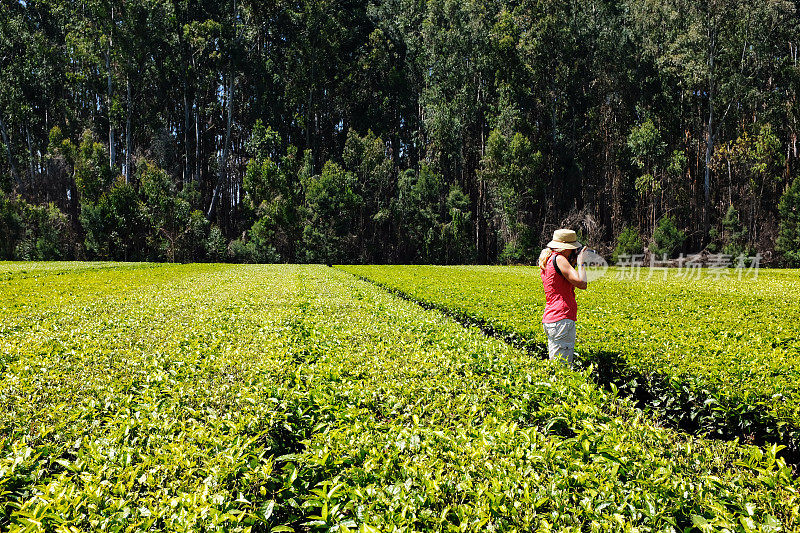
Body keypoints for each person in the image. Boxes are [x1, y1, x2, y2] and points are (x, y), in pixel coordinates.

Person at [538, 228, 588, 365]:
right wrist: (581, 262)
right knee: (562, 368)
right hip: (562, 319)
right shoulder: (559, 259)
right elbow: (582, 283)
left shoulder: (548, 258)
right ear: (566, 248)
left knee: (556, 364)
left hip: (552, 318)